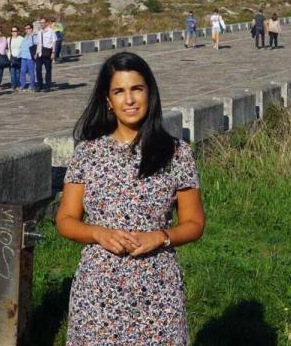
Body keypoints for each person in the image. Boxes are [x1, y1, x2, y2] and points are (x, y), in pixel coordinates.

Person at [57, 52, 205, 344]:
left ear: (150, 92)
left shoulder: (177, 153)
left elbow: (194, 222)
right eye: (119, 91)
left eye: (137, 89)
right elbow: (65, 219)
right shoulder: (88, 153)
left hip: (157, 286)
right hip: (98, 289)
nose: (130, 100)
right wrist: (97, 233)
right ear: (108, 100)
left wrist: (160, 237)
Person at [36, 17, 56, 92]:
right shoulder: (39, 31)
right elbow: (38, 43)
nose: (42, 24)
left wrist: (53, 52)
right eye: (40, 23)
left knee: (48, 70)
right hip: (39, 53)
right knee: (38, 70)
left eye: (43, 22)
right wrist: (36, 53)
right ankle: (40, 85)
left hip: (48, 52)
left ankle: (48, 86)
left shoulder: (51, 31)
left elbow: (54, 42)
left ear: (46, 23)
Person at [20, 24, 39, 91]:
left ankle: (32, 85)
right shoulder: (25, 36)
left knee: (31, 72)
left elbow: (37, 45)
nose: (27, 30)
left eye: (28, 28)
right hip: (23, 57)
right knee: (22, 71)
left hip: (30, 57)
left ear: (31, 28)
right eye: (26, 29)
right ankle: (22, 85)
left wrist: (36, 53)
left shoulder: (34, 36)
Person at [7, 25, 24, 90]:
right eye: (13, 31)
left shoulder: (21, 39)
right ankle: (13, 85)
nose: (14, 32)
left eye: (15, 31)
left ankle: (18, 84)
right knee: (12, 72)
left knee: (18, 72)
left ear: (18, 31)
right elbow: (7, 49)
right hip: (11, 58)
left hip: (19, 57)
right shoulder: (9, 39)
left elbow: (23, 48)